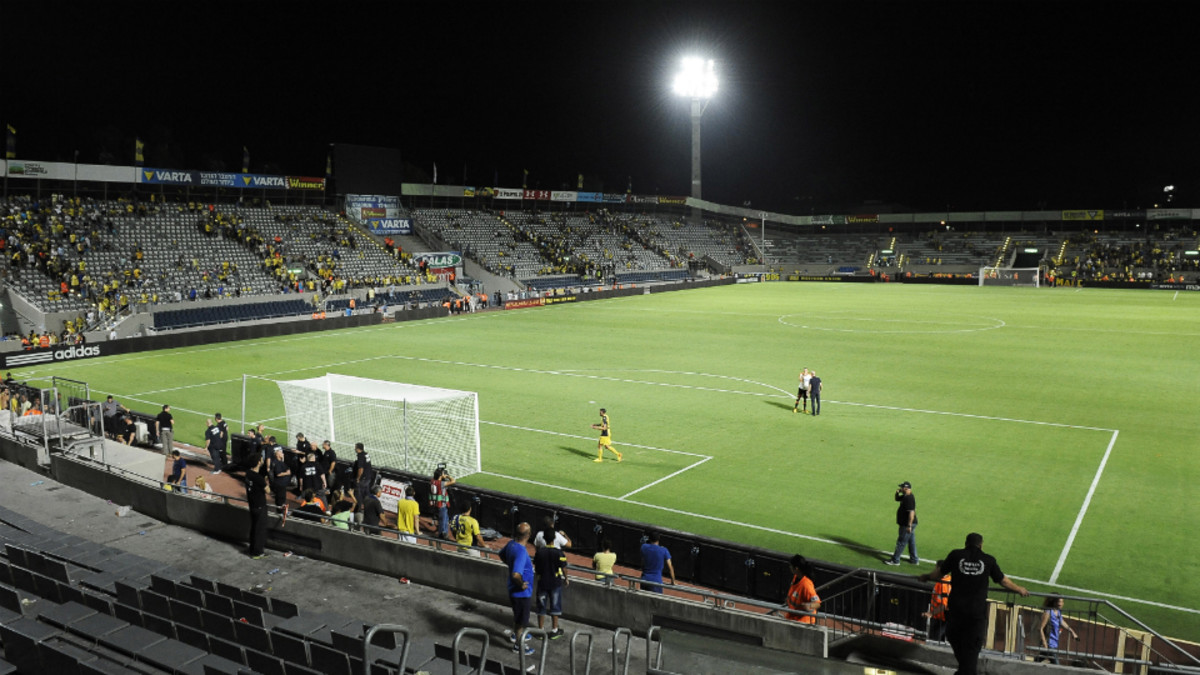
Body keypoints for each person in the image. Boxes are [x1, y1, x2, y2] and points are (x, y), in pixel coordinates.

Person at [918, 533, 1029, 675]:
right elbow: (1003, 581)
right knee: (972, 647)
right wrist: (1019, 589)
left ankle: (964, 670)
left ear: (965, 543)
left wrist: (926, 577)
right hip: (976, 613)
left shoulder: (955, 555)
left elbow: (939, 573)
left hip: (956, 611)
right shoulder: (988, 560)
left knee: (954, 637)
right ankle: (966, 671)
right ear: (981, 544)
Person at [499, 522, 536, 656]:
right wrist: (521, 584)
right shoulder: (520, 551)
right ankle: (519, 646)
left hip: (514, 591)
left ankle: (516, 636)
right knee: (521, 621)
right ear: (528, 535)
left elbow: (501, 555)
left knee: (518, 616)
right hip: (521, 593)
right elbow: (516, 574)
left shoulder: (511, 544)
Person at [533, 533, 568, 639]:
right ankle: (554, 630)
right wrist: (566, 578)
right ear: (554, 539)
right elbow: (564, 567)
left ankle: (540, 631)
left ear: (544, 539)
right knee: (555, 606)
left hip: (542, 582)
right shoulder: (559, 553)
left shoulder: (539, 552)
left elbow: (536, 565)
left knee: (541, 606)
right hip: (555, 583)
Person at [240, 454, 269, 559]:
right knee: (260, 529)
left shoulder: (248, 474)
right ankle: (257, 552)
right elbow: (268, 490)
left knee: (254, 528)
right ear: (258, 462)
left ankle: (252, 548)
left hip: (252, 505)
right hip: (260, 505)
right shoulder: (259, 478)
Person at [1036, 595, 1077, 664]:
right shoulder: (1048, 612)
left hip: (1054, 643)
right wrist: (1044, 642)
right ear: (1054, 602)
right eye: (1059, 601)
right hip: (1049, 644)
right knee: (1057, 665)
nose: (1060, 603)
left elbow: (1062, 622)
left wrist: (1072, 631)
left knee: (1038, 660)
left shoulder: (1058, 612)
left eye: (1062, 601)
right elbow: (1040, 628)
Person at [886, 481, 918, 566]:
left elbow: (912, 513)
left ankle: (895, 560)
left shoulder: (909, 498)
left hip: (906, 524)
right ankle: (914, 559)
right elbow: (896, 499)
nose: (901, 488)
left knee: (901, 542)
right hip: (908, 524)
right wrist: (897, 493)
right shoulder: (905, 496)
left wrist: (909, 525)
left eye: (902, 487)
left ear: (906, 488)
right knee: (911, 541)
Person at [785, 554, 821, 624]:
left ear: (796, 569)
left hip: (803, 621)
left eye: (791, 566)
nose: (789, 567)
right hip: (793, 617)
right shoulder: (795, 578)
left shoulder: (806, 584)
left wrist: (809, 606)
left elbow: (817, 604)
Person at [924, 560, 951, 641]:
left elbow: (943, 605)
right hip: (944, 617)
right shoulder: (949, 579)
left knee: (934, 641)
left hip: (940, 618)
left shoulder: (943, 584)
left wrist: (931, 613)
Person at [429, 464, 456, 539]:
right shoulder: (441, 484)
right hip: (442, 505)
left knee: (445, 519)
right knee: (443, 520)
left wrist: (441, 475)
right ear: (441, 475)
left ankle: (444, 533)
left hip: (436, 504)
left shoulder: (432, 482)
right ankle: (442, 534)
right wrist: (447, 476)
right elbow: (453, 481)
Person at [268, 446, 292, 513]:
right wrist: (287, 473)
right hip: (280, 485)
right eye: (281, 452)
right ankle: (281, 513)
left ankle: (281, 511)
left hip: (280, 484)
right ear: (277, 454)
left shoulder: (278, 462)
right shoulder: (277, 463)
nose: (283, 454)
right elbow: (278, 474)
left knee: (280, 500)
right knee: (281, 500)